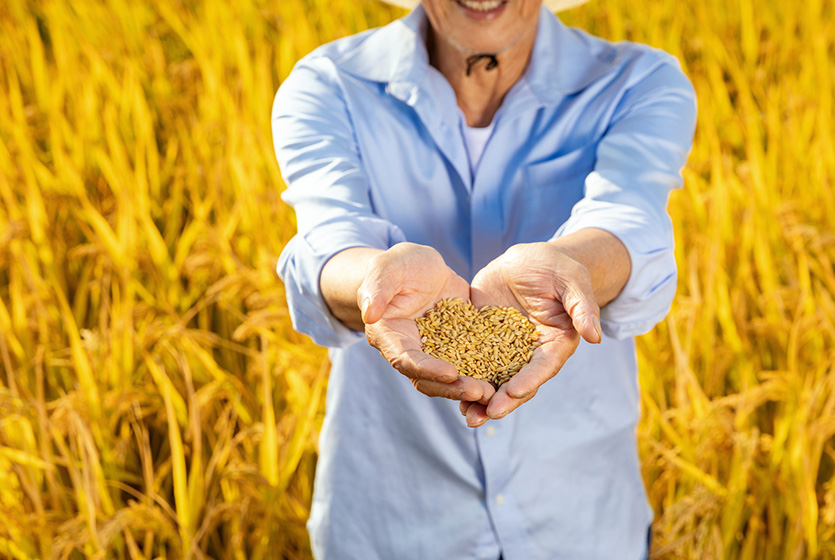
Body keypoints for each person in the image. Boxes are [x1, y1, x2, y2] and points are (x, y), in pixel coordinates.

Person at [272, 0, 696, 557]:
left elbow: (627, 221)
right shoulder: (331, 85)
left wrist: (568, 271)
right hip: (394, 517)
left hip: (578, 514)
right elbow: (329, 239)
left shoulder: (637, 82)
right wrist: (376, 279)